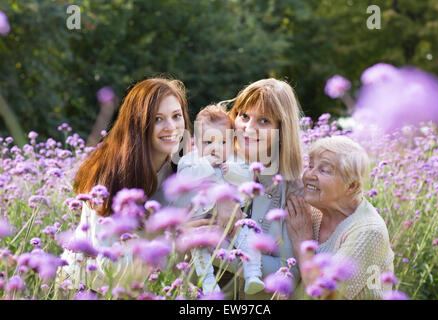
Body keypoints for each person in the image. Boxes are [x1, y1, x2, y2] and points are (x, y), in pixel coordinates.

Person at [56, 77, 201, 289]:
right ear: (138, 123)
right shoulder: (109, 173)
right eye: (158, 119)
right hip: (86, 286)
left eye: (176, 116)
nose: (171, 127)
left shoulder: (181, 168)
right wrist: (174, 238)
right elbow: (108, 266)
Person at [214, 78, 305, 299]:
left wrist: (215, 251)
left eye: (264, 121)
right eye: (244, 116)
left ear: (282, 131)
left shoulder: (292, 190)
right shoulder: (211, 165)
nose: (248, 128)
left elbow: (287, 271)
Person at [286, 135, 395, 299]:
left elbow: (325, 295)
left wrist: (303, 243)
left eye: (324, 170)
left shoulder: (368, 231)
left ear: (351, 186)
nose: (309, 174)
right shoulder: (315, 208)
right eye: (310, 166)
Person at [176, 104, 265, 295]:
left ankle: (253, 274)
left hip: (234, 220)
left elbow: (248, 178)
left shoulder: (235, 160)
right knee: (199, 250)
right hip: (203, 220)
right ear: (196, 143)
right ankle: (209, 285)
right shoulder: (190, 160)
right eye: (208, 142)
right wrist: (207, 165)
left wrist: (231, 171)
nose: (216, 149)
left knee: (249, 238)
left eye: (223, 143)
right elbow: (185, 179)